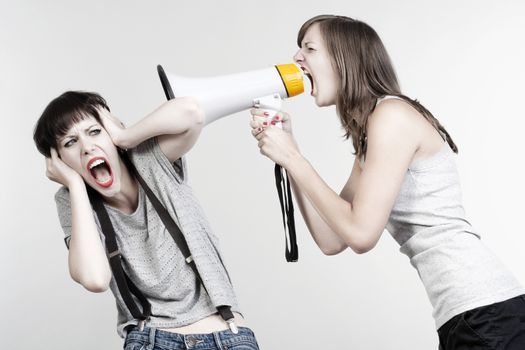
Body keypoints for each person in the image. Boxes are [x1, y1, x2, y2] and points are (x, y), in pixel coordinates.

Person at [250, 14, 525, 349]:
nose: (296, 58)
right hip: (469, 315)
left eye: (309, 48)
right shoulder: (371, 134)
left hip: (485, 310)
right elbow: (332, 239)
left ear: (344, 57)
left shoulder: (391, 116)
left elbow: (362, 234)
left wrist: (294, 157)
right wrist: (289, 154)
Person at [34, 91, 259, 350]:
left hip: (225, 335)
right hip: (150, 341)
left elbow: (192, 112)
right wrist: (74, 184)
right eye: (70, 142)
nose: (87, 147)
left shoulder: (151, 159)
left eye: (94, 132)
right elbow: (95, 279)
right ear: (58, 161)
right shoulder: (73, 201)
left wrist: (124, 136)